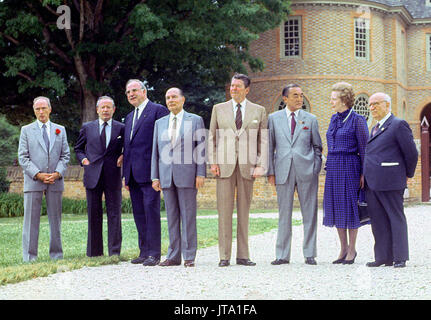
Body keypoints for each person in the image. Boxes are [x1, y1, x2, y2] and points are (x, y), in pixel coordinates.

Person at [208, 73, 268, 267]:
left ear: (247, 89)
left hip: (247, 167)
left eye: (238, 86)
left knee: (244, 212)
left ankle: (243, 255)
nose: (233, 89)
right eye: (232, 86)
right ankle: (224, 256)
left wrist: (261, 164)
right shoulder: (218, 109)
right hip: (224, 166)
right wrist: (213, 162)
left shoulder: (259, 111)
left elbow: (263, 140)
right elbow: (212, 138)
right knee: (224, 212)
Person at [267, 84, 322, 265]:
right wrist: (271, 172)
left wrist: (315, 169)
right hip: (283, 171)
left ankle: (310, 254)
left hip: (307, 172)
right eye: (295, 95)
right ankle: (282, 255)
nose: (300, 99)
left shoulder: (311, 119)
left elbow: (317, 147)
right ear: (285, 99)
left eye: (301, 95)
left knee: (310, 213)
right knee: (284, 214)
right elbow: (269, 147)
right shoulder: (273, 119)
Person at [151, 88, 206, 267]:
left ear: (183, 99)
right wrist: (155, 177)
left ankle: (189, 256)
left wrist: (200, 173)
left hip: (188, 175)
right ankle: (173, 256)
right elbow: (155, 152)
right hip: (166, 176)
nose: (170, 100)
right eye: (167, 97)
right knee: (172, 217)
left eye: (174, 97)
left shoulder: (195, 120)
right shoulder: (159, 123)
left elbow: (201, 149)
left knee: (188, 216)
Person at [364, 92, 418, 268]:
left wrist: (407, 175)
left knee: (395, 218)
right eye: (370, 105)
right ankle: (382, 257)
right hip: (373, 183)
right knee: (378, 221)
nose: (372, 108)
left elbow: (411, 153)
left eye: (376, 104)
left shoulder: (397, 125)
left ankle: (400, 257)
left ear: (387, 105)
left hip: (391, 180)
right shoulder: (374, 127)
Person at [123, 79, 169, 266]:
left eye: (134, 90)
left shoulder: (158, 111)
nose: (131, 94)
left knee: (151, 212)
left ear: (144, 92)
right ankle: (143, 251)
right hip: (133, 174)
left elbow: (164, 144)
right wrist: (126, 174)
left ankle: (154, 254)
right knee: (139, 214)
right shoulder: (128, 117)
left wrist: (159, 173)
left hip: (150, 173)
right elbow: (128, 147)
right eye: (128, 92)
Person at [18, 96, 70, 262]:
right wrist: (38, 174)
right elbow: (23, 157)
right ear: (34, 111)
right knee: (30, 222)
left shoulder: (60, 130)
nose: (41, 112)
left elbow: (65, 155)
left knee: (55, 221)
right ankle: (29, 257)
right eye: (37, 109)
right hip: (33, 181)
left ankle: (56, 255)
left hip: (55, 181)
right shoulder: (26, 130)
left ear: (50, 109)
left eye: (43, 108)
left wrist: (57, 173)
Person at [322, 82, 369, 265]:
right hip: (333, 166)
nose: (331, 102)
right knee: (336, 206)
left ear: (344, 100)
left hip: (350, 165)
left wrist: (364, 173)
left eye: (334, 99)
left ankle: (352, 249)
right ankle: (342, 248)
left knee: (350, 206)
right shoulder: (334, 119)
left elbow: (365, 149)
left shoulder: (357, 120)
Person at [74, 96, 124, 257]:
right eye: (102, 107)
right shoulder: (87, 127)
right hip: (92, 175)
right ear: (97, 110)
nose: (105, 110)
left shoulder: (121, 128)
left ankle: (114, 252)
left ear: (114, 109)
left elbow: (128, 148)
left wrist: (123, 156)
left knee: (114, 214)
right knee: (93, 214)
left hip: (113, 175)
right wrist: (84, 160)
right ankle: (94, 252)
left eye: (109, 107)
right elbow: (78, 148)